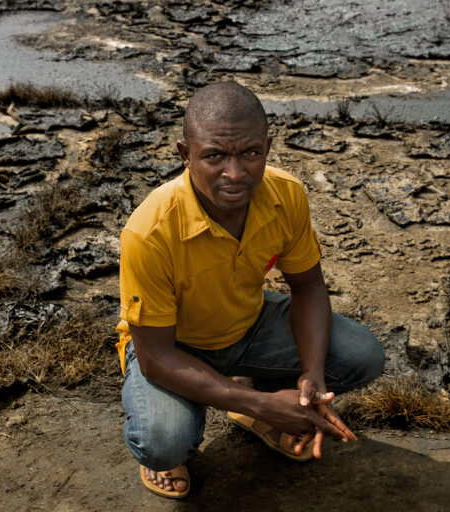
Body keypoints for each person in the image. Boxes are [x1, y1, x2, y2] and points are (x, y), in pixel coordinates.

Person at [115, 81, 384, 499]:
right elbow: (156, 358)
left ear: (268, 147)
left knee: (362, 356)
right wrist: (253, 403)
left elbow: (308, 286)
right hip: (173, 347)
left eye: (249, 153)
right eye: (214, 156)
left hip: (249, 324)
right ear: (185, 156)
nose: (235, 173)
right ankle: (251, 406)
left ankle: (259, 399)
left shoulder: (286, 194)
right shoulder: (149, 231)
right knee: (162, 441)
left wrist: (310, 377)